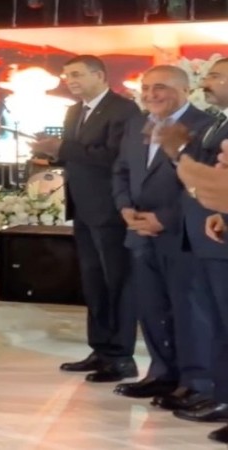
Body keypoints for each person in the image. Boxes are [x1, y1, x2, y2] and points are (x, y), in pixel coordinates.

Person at [30, 55, 140, 382]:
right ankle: (101, 349)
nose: (70, 81)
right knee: (93, 283)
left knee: (117, 282)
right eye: (67, 76)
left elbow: (116, 157)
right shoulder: (74, 111)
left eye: (77, 74)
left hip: (111, 209)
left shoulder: (124, 110)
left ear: (100, 75)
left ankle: (121, 356)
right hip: (83, 208)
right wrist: (50, 152)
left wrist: (62, 148)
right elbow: (77, 157)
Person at [111, 66, 213, 403]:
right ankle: (161, 374)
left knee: (189, 311)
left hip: (182, 235)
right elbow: (121, 170)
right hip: (139, 232)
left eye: (160, 87)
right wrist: (125, 208)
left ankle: (196, 382)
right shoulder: (137, 124)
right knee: (151, 307)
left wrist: (165, 219)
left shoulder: (205, 126)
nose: (151, 94)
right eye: (146, 87)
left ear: (185, 90)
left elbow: (206, 184)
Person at [157, 58, 228, 445]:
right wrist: (178, 152)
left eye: (215, 76)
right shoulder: (217, 122)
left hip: (219, 238)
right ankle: (221, 397)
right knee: (218, 324)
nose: (206, 81)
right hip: (212, 232)